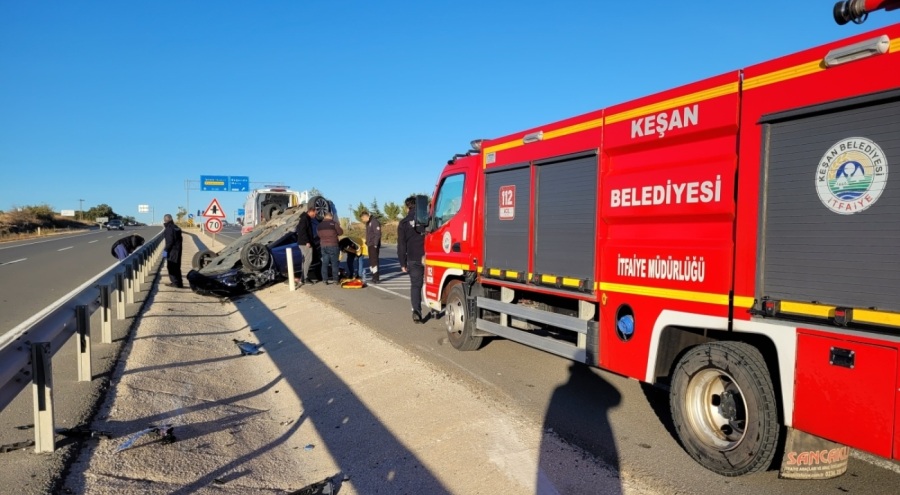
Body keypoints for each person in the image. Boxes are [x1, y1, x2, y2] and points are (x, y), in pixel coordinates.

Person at [397, 196, 426, 323]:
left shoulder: (403, 223)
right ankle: (437, 308)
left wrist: (402, 262)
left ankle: (416, 311)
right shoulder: (427, 220)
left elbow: (402, 245)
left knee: (416, 285)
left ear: (406, 207)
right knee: (434, 283)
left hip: (413, 258)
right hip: (430, 256)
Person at [317, 211, 343, 285]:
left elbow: (318, 235)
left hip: (323, 245)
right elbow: (341, 232)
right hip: (333, 245)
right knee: (334, 263)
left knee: (324, 263)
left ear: (325, 217)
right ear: (331, 217)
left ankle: (325, 280)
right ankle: (335, 280)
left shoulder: (319, 225)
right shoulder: (334, 224)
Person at [295, 205, 317, 286]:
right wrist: (307, 241)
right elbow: (302, 231)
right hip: (305, 243)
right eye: (314, 214)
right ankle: (305, 278)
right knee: (308, 260)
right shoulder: (305, 219)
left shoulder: (304, 218)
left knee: (305, 261)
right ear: (310, 211)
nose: (315, 215)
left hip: (302, 242)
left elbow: (298, 229)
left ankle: (303, 277)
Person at [162, 214, 184, 288]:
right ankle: (179, 283)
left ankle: (175, 283)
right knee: (177, 266)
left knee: (171, 266)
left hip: (172, 250)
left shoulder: (169, 229)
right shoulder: (176, 227)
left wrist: (166, 250)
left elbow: (169, 241)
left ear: (165, 220)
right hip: (178, 249)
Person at [361, 210, 382, 284]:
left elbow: (377, 234)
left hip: (373, 244)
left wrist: (375, 244)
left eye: (363, 219)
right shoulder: (369, 222)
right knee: (371, 261)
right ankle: (373, 276)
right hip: (370, 244)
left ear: (366, 216)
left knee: (374, 261)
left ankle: (376, 278)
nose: (363, 220)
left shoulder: (374, 222)